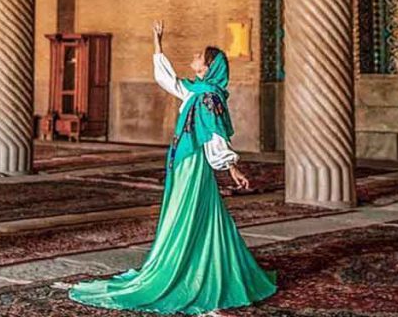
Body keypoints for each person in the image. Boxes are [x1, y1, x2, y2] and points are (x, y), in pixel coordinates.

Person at [69, 20, 277, 314]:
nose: (194, 56)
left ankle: (190, 272)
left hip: (193, 165)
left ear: (207, 67)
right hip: (184, 161)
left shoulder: (208, 98)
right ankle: (194, 265)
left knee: (187, 214)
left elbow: (214, 137)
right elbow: (168, 80)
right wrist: (157, 41)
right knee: (188, 215)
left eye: (199, 56)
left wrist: (232, 168)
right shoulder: (197, 91)